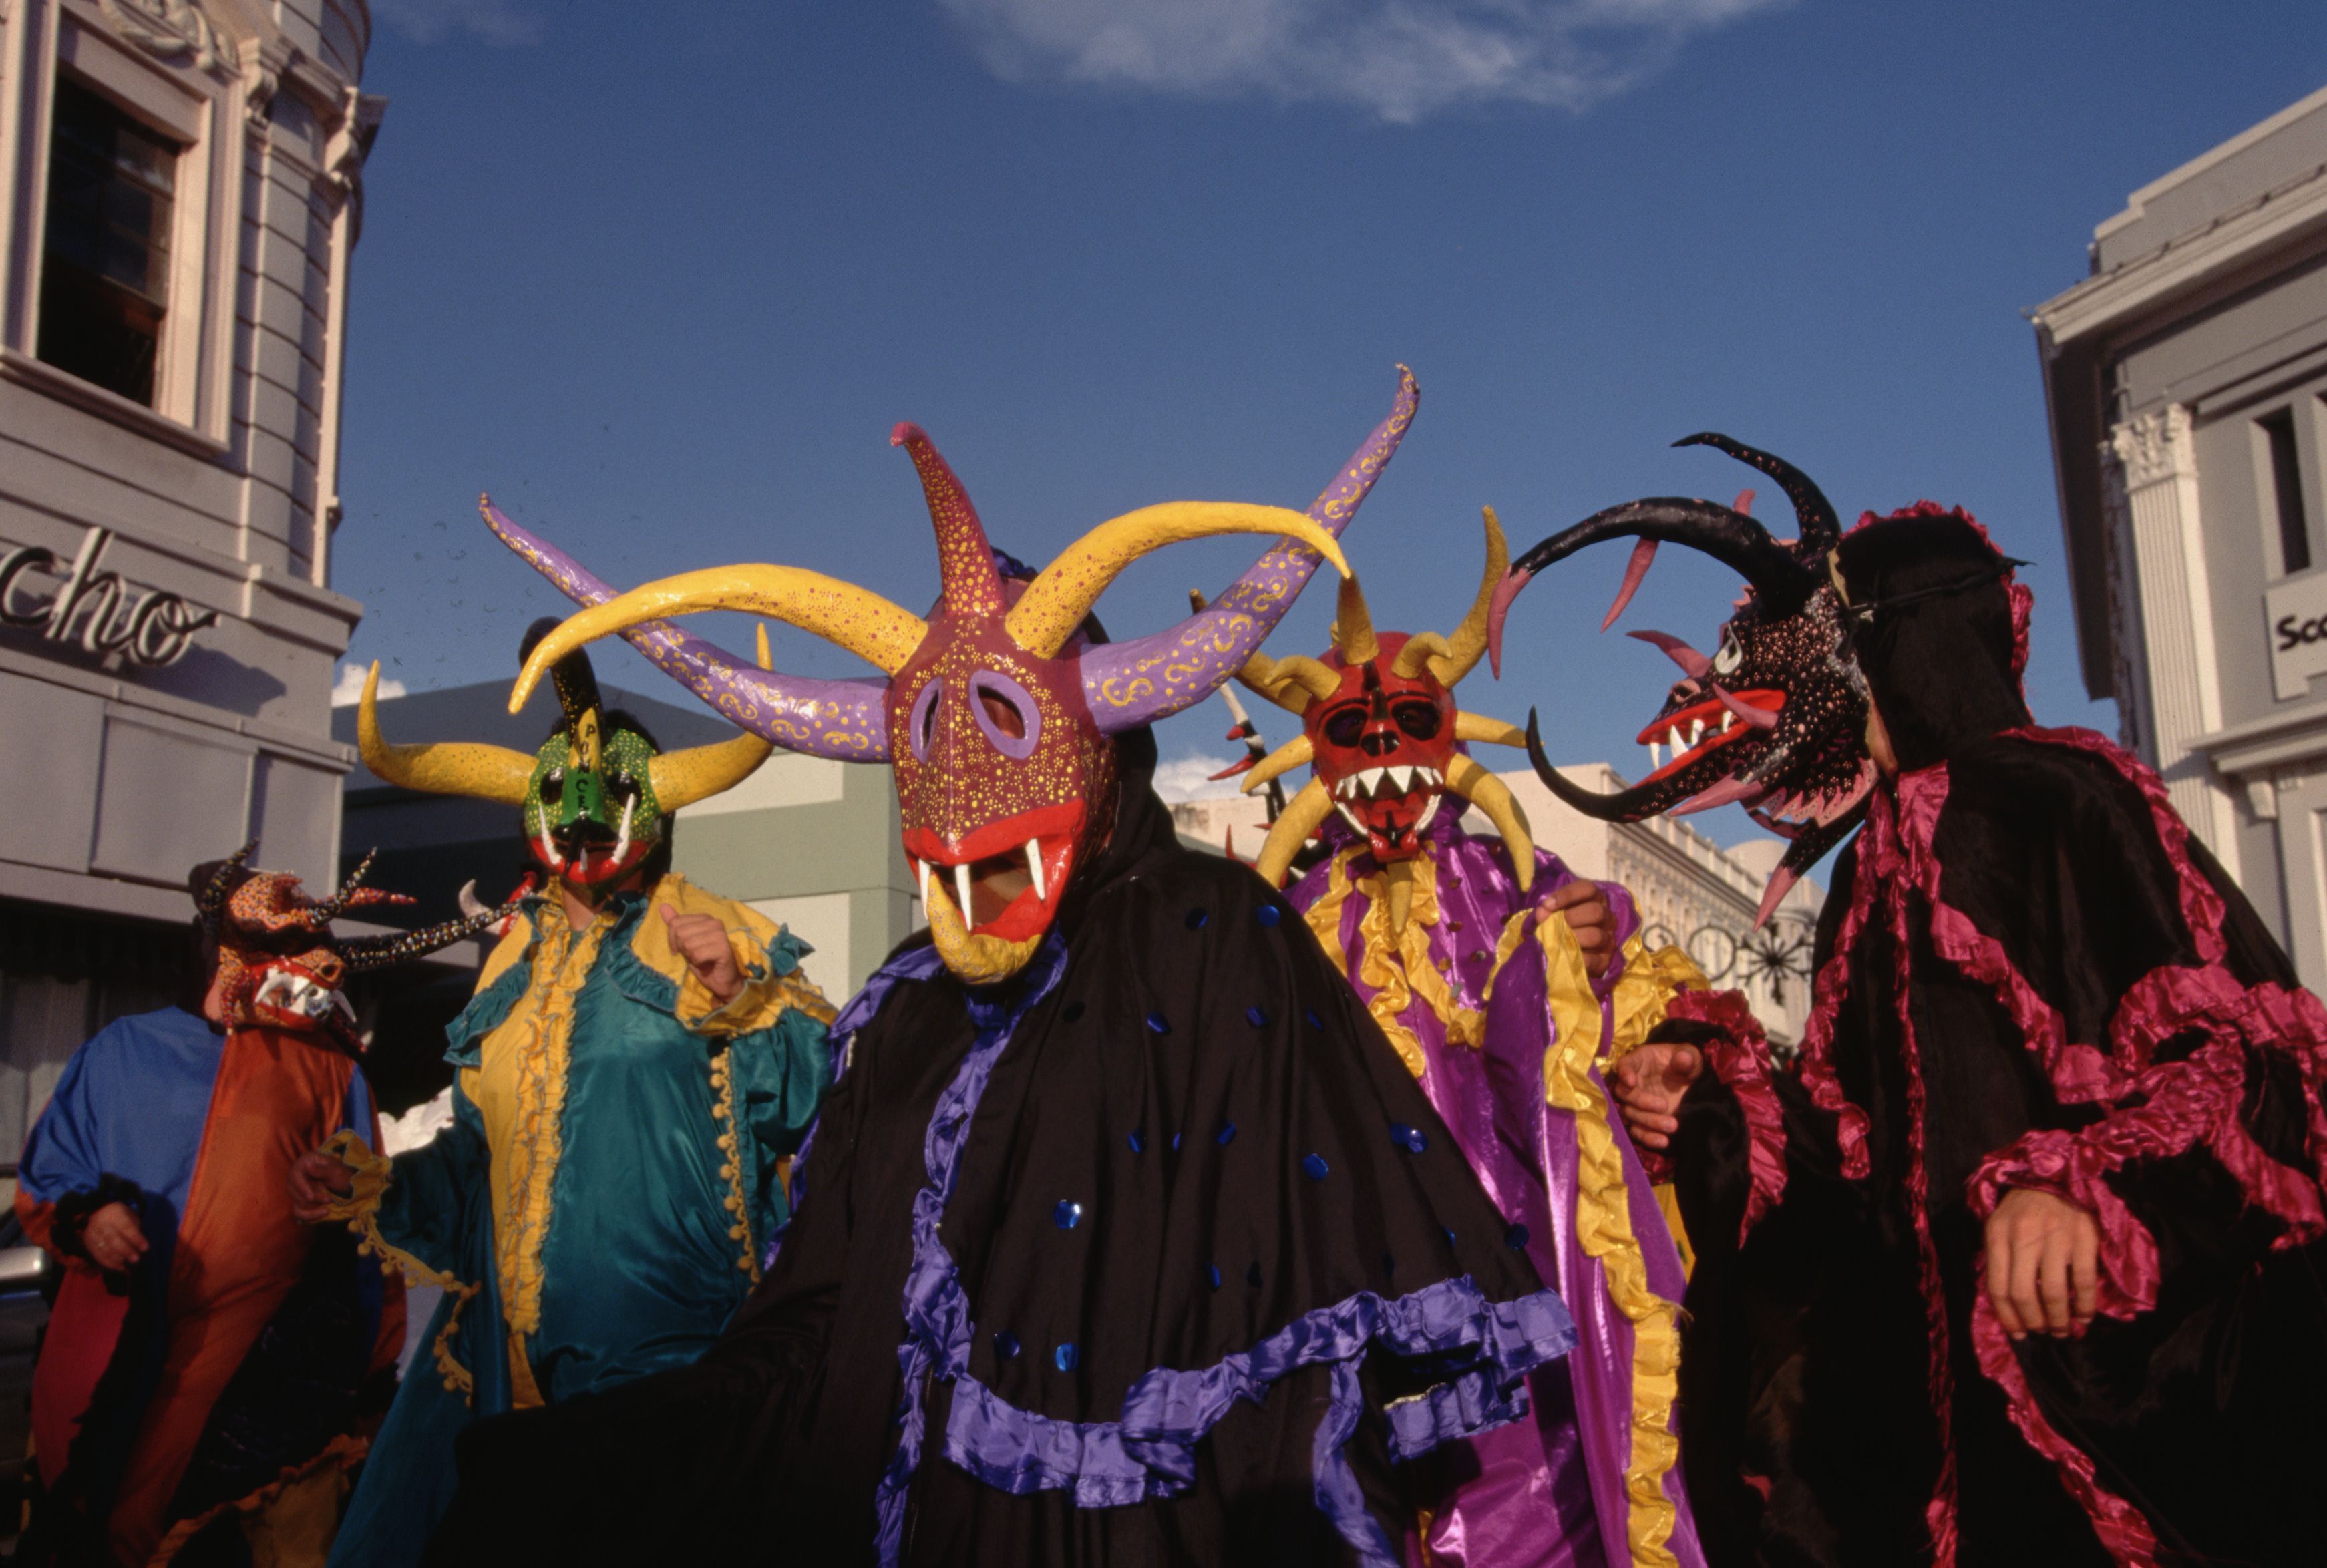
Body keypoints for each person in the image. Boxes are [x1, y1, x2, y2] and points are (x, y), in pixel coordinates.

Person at [418, 370, 1592, 1566]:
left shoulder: (1212, 939)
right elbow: (824, 1312)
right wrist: (637, 1448)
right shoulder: (911, 1000)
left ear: (1103, 745)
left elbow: (1289, 1317)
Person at [1492, 437, 2327, 1566]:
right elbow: (1853, 1164)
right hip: (1935, 1448)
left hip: (2106, 1404)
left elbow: (2255, 1062)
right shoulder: (1867, 868)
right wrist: (1715, 1102)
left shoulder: (2058, 793)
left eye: (1834, 644)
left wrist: (2077, 1186)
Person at [1228, 516, 1725, 1567]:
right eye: (1349, 734)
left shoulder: (1520, 884)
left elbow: (1633, 1023)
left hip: (1525, 1293)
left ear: (1452, 731)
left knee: (1545, 1515)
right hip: (1351, 1300)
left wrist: (1616, 1004)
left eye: (1408, 721)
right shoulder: (1290, 919)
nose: (1379, 755)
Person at [293, 625, 834, 1568]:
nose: (583, 827)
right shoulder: (512, 958)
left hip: (671, 1361)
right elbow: (480, 1158)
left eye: (614, 801)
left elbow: (819, 1106)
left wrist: (740, 998)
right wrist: (376, 1187)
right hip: (510, 1364)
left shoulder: (715, 931)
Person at [17, 847, 498, 1567]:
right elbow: (47, 1176)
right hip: (113, 1369)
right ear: (216, 950)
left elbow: (364, 1221)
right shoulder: (123, 1051)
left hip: (267, 1393)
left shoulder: (328, 1068)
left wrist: (369, 1365)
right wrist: (87, 1219)